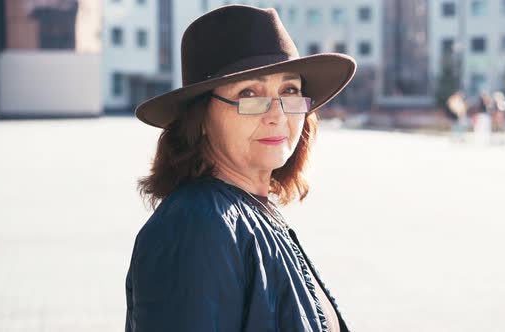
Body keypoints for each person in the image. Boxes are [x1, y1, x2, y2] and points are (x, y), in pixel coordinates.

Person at [124, 5, 356, 332]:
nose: (277, 114)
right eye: (249, 93)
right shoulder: (197, 226)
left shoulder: (252, 211)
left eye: (289, 91)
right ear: (201, 117)